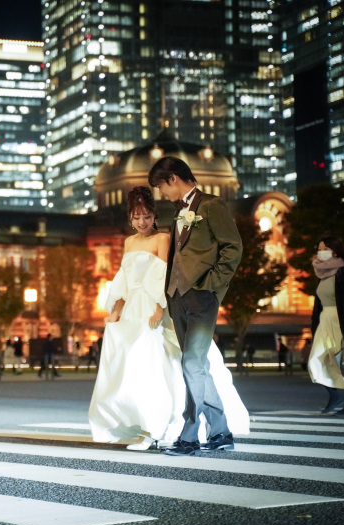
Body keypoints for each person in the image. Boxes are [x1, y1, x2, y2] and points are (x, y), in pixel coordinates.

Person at [88, 186, 248, 451]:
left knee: (157, 366)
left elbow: (165, 274)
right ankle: (142, 425)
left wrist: (161, 308)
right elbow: (124, 279)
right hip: (133, 310)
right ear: (130, 218)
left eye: (147, 216)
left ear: (154, 216)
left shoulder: (162, 239)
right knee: (133, 368)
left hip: (155, 306)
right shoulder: (128, 242)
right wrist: (116, 308)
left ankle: (156, 427)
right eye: (137, 217)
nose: (142, 222)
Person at [148, 159, 244, 456]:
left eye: (161, 187)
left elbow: (233, 247)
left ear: (173, 178)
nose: (161, 194)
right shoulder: (177, 211)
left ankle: (189, 435)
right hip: (177, 297)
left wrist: (211, 284)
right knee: (198, 366)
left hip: (202, 296)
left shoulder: (211, 206)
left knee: (191, 363)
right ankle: (221, 432)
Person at [307, 236, 344, 416]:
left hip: (341, 322)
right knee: (315, 361)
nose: (319, 252)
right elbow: (318, 304)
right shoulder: (322, 273)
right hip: (325, 322)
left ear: (334, 251)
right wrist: (313, 325)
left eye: (323, 248)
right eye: (318, 248)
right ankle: (335, 395)